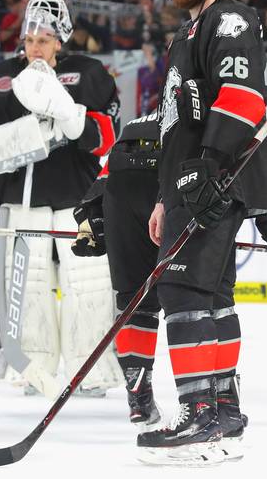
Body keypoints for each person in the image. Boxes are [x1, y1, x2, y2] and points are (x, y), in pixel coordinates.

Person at [142, 0, 267, 464]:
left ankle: (199, 415)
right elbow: (178, 124)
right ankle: (222, 408)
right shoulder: (188, 32)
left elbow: (244, 96)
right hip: (194, 182)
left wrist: (206, 166)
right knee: (212, 296)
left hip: (212, 181)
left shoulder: (230, 18)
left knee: (181, 294)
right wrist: (163, 194)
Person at [0, 0, 121, 397]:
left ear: (61, 41)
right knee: (29, 287)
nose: (35, 46)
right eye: (30, 38)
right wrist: (21, 138)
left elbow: (106, 138)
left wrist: (69, 115)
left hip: (77, 198)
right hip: (19, 202)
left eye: (45, 38)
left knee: (88, 285)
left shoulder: (88, 73)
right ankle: (32, 367)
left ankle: (93, 368)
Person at [70, 111, 168, 428]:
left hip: (122, 185)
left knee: (134, 301)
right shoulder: (200, 109)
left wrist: (93, 218)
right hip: (171, 182)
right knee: (197, 300)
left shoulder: (137, 122)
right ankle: (208, 403)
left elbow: (105, 176)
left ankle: (138, 398)